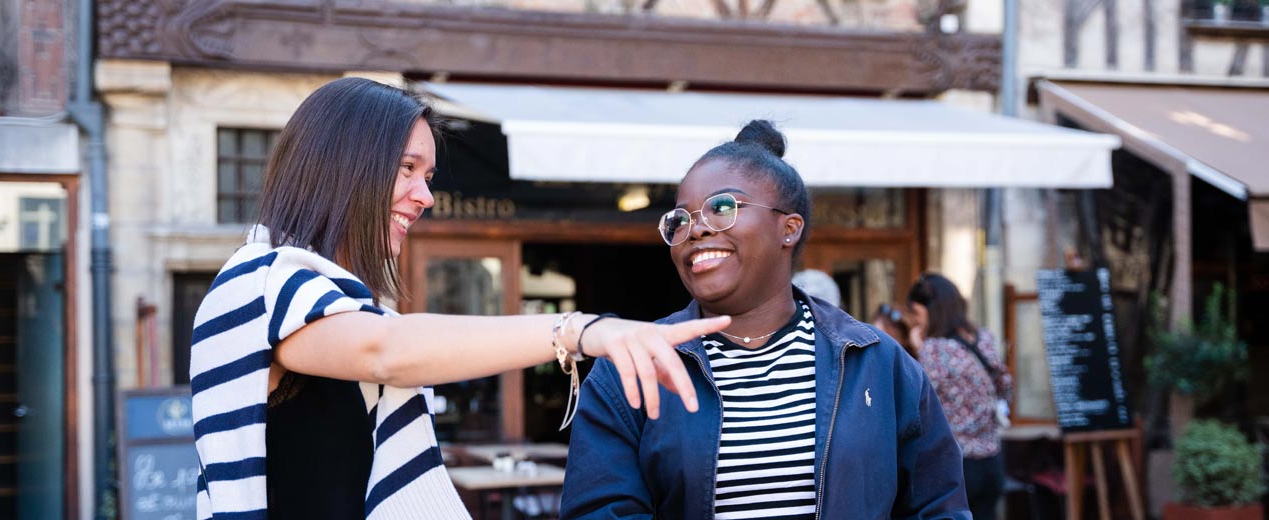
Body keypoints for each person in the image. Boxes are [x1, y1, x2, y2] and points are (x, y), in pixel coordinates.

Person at [189, 77, 730, 520]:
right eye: (407, 169)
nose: (425, 197)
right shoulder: (257, 283)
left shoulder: (330, 298)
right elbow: (387, 351)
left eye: (427, 176)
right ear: (341, 166)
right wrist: (576, 329)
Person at [561, 120, 969, 519]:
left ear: (788, 229)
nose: (696, 230)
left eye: (722, 208)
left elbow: (938, 506)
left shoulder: (877, 363)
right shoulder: (628, 368)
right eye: (681, 220)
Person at [905, 273, 1013, 520]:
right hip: (992, 460)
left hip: (959, 464)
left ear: (931, 311)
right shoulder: (984, 338)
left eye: (917, 314)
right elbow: (1006, 387)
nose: (915, 322)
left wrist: (919, 348)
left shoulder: (934, 349)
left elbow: (920, 404)